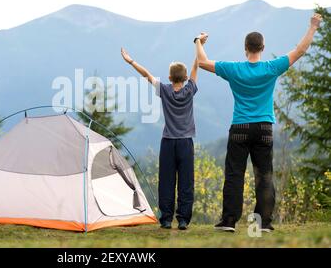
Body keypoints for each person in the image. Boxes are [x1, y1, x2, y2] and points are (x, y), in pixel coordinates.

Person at [195, 13, 323, 232]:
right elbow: (300, 51)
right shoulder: (271, 68)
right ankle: (262, 223)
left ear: (246, 48)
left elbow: (203, 62)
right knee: (264, 175)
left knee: (235, 174)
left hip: (240, 127)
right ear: (262, 48)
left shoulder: (234, 69)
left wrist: (198, 42)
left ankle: (229, 222)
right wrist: (312, 27)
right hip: (264, 127)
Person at [121, 46, 199, 230]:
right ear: (186, 78)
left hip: (168, 143)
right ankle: (183, 220)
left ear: (170, 78)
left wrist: (130, 61)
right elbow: (197, 67)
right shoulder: (189, 91)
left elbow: (147, 75)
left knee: (166, 181)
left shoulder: (164, 90)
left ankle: (165, 219)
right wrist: (199, 46)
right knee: (186, 182)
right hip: (186, 142)